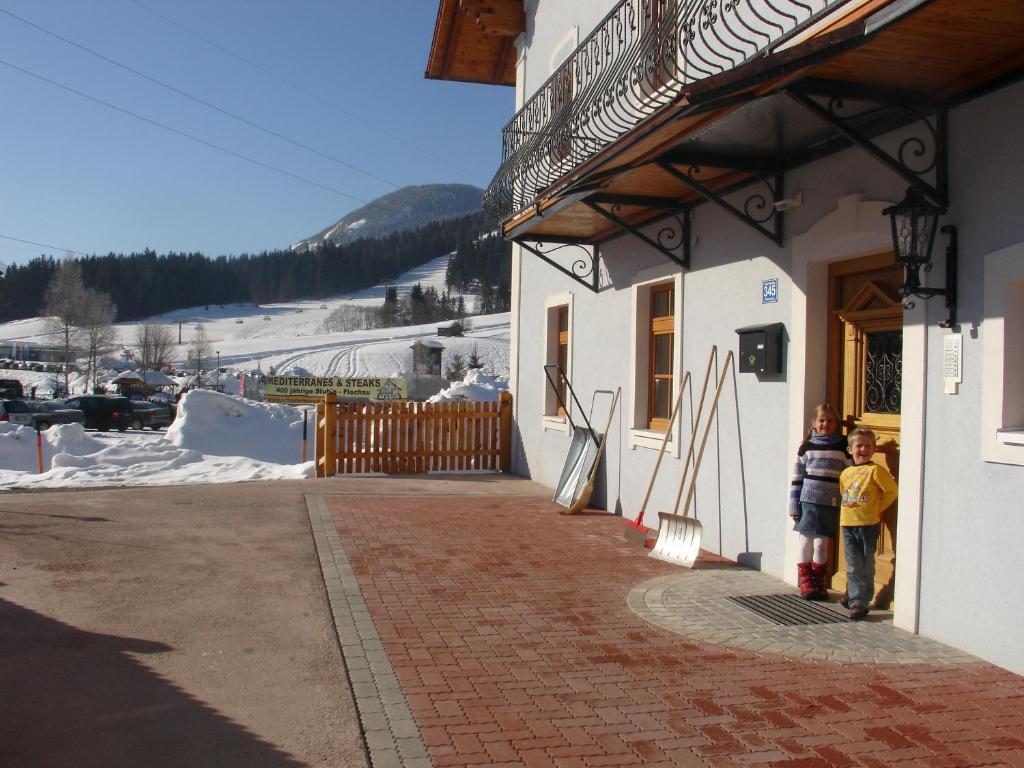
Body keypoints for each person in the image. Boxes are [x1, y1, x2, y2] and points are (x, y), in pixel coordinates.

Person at [789, 404, 850, 600]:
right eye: (822, 420)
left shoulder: (842, 446)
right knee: (806, 540)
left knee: (821, 544)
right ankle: (806, 581)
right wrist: (793, 503)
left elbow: (850, 473)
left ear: (836, 423)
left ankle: (819, 581)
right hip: (808, 500)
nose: (826, 424)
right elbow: (797, 477)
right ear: (814, 423)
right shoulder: (807, 447)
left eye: (830, 420)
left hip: (830, 501)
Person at [839, 427, 898, 620]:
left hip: (867, 525)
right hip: (848, 523)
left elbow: (891, 491)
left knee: (865, 563)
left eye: (868, 446)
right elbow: (844, 493)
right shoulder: (846, 473)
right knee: (852, 562)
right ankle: (853, 593)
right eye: (859, 446)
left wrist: (877, 508)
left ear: (874, 450)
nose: (863, 450)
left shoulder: (875, 471)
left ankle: (861, 601)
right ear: (850, 449)